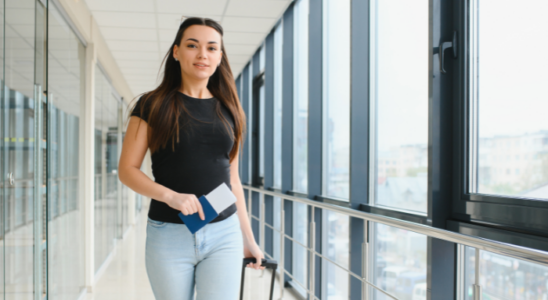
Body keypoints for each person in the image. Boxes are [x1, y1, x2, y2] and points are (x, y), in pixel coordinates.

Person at [118, 17, 265, 300]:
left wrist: (249, 239)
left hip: (225, 232)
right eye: (192, 45)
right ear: (176, 52)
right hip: (168, 234)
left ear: (220, 57)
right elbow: (127, 170)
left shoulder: (230, 110)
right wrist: (170, 196)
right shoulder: (152, 104)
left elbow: (233, 181)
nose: (202, 55)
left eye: (212, 48)